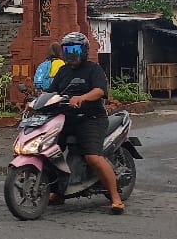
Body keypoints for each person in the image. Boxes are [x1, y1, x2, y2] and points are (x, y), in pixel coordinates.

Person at [45, 31, 125, 215]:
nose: (71, 54)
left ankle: (115, 198)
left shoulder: (93, 69)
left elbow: (99, 91)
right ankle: (58, 191)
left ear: (83, 51)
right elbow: (51, 92)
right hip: (65, 119)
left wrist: (82, 97)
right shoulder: (63, 71)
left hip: (91, 119)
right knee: (49, 151)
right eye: (67, 49)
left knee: (92, 157)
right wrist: (35, 102)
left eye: (75, 49)